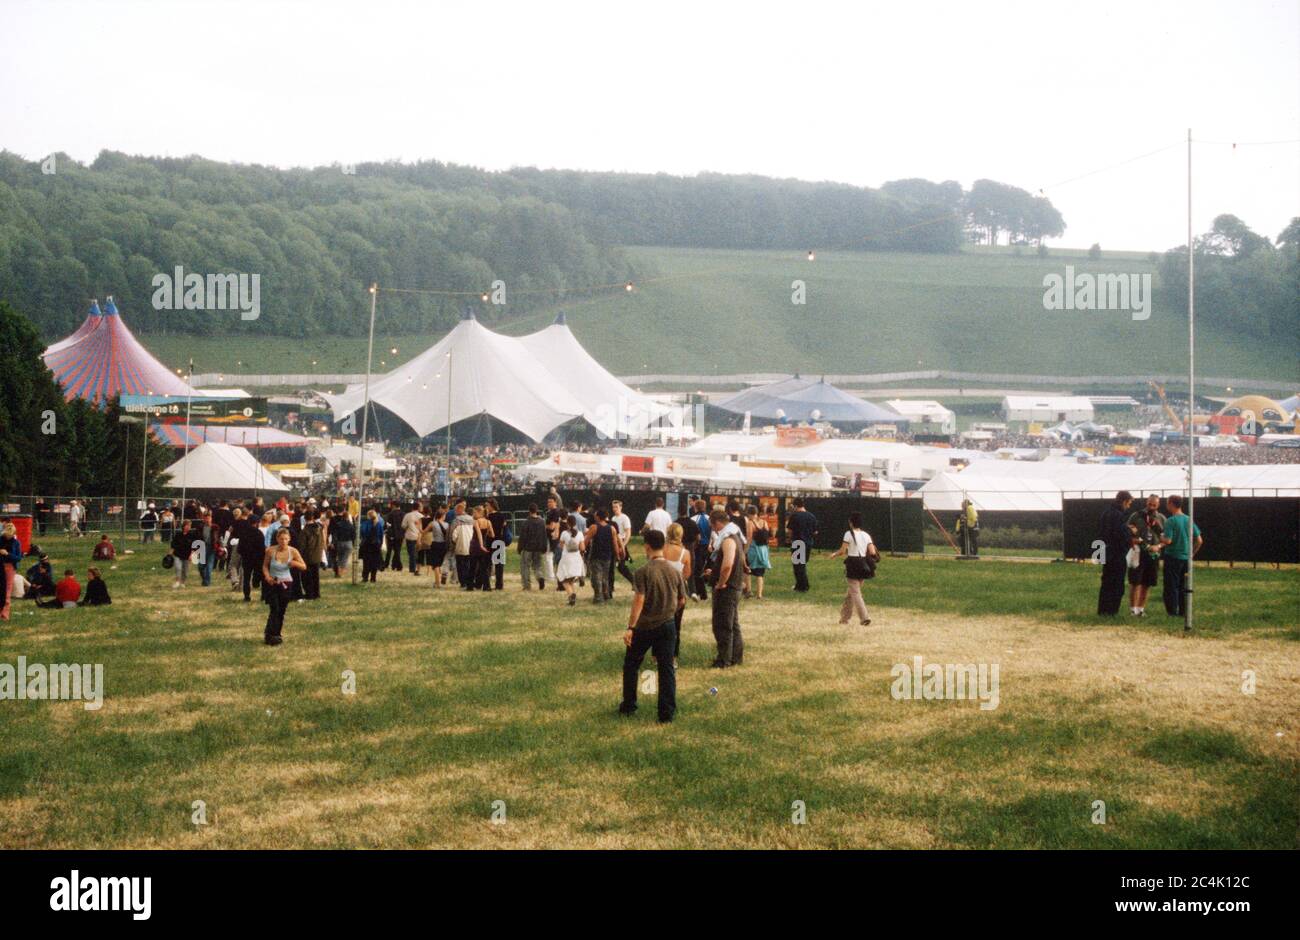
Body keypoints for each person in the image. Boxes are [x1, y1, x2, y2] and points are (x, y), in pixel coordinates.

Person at [619, 529, 686, 723]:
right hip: (668, 625)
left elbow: (639, 600)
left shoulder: (642, 572)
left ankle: (629, 705)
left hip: (645, 626)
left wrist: (630, 627)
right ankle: (666, 714)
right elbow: (682, 600)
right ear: (663, 546)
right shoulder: (675, 571)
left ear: (647, 546)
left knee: (632, 664)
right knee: (666, 669)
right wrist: (670, 612)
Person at [705, 509, 745, 668]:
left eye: (712, 526)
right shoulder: (736, 536)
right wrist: (714, 571)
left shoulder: (728, 539)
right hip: (735, 586)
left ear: (717, 522)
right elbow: (737, 560)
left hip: (727, 588)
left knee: (722, 625)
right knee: (733, 623)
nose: (713, 529)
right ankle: (735, 657)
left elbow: (728, 564)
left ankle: (723, 660)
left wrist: (721, 582)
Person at [828, 512, 877, 625]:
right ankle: (844, 619)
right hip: (864, 565)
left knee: (855, 593)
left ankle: (864, 618)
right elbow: (872, 552)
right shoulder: (866, 535)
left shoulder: (848, 534)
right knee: (851, 593)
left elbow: (842, 551)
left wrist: (834, 555)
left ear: (851, 523)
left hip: (853, 564)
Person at [261, 526, 307, 645]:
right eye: (281, 539)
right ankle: (269, 634)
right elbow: (265, 566)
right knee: (274, 608)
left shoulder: (293, 551)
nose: (283, 542)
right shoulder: (270, 551)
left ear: (289, 539)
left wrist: (295, 563)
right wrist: (267, 577)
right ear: (277, 539)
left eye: (286, 539)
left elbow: (304, 566)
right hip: (272, 583)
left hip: (286, 583)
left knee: (281, 610)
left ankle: (277, 634)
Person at [1159, 494, 1203, 620]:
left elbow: (1168, 540)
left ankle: (1172, 612)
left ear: (1171, 504)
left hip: (1172, 557)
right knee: (1183, 586)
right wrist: (1191, 554)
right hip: (1186, 559)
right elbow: (1199, 540)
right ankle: (1183, 612)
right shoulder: (1189, 519)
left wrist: (1161, 537)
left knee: (1171, 586)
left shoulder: (1170, 521)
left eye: (1167, 503)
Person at [1126, 494, 1165, 617]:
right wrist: (1133, 538)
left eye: (1154, 505)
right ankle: (1133, 609)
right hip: (1138, 552)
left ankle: (1141, 609)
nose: (1151, 506)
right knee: (1135, 582)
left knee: (1147, 583)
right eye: (1149, 504)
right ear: (1146, 503)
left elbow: (1165, 538)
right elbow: (1128, 530)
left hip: (1153, 554)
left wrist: (1158, 547)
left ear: (1158, 505)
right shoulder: (1136, 516)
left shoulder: (1162, 518)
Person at [1097, 491, 1134, 616]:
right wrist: (1131, 532)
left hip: (1106, 552)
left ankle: (1103, 610)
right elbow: (1120, 535)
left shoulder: (1105, 512)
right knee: (1117, 585)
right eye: (1128, 504)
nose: (1128, 507)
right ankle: (1112, 611)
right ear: (1124, 501)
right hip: (1117, 554)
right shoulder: (1118, 515)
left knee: (1106, 583)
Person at [662, 523, 693, 660]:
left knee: (658, 624)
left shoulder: (661, 549)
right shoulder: (685, 553)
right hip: (677, 591)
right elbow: (687, 574)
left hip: (661, 590)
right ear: (681, 535)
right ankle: (673, 656)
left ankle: (657, 655)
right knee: (676, 625)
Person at [584, 508, 621, 604]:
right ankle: (606, 595)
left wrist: (582, 550)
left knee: (596, 577)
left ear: (598, 516)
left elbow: (586, 541)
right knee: (605, 577)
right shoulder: (612, 528)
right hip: (607, 556)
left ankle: (598, 597)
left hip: (596, 555)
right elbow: (615, 543)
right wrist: (617, 555)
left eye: (595, 515)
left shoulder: (594, 527)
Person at [785, 497, 817, 593]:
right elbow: (815, 532)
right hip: (808, 543)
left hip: (798, 542)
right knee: (802, 564)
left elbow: (790, 530)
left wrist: (791, 540)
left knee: (798, 566)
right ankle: (799, 585)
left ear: (795, 506)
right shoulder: (812, 516)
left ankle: (803, 586)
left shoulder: (794, 516)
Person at [517, 503, 549, 590]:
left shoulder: (526, 522)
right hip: (538, 548)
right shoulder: (542, 522)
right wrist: (544, 547)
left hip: (528, 548)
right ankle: (540, 577)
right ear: (536, 510)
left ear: (529, 511)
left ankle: (527, 586)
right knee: (537, 566)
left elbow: (523, 537)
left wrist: (519, 548)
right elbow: (544, 535)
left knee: (525, 566)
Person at [236, 510, 265, 602]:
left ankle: (247, 596)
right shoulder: (259, 533)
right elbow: (262, 548)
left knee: (246, 578)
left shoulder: (243, 533)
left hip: (246, 558)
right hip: (257, 559)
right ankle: (263, 595)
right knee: (261, 577)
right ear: (257, 523)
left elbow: (239, 548)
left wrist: (244, 554)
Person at [555, 518, 585, 606]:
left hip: (566, 558)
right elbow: (582, 548)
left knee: (563, 579)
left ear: (567, 524)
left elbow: (560, 546)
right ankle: (572, 596)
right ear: (575, 524)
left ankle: (571, 595)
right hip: (576, 558)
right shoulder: (580, 534)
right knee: (571, 579)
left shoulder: (564, 533)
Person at [745, 505, 771, 599]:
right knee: (760, 573)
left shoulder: (750, 523)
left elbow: (749, 537)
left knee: (747, 570)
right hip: (763, 549)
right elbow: (767, 536)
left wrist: (745, 550)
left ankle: (748, 591)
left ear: (749, 513)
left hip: (753, 548)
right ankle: (759, 595)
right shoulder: (764, 522)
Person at [298, 510, 325, 600]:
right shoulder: (319, 528)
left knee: (306, 577)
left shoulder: (305, 531)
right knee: (315, 576)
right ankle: (316, 593)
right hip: (317, 555)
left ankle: (309, 594)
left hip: (307, 556)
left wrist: (299, 556)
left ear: (304, 518)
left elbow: (302, 546)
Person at [0, 522, 23, 621]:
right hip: (1, 565)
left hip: (10, 567)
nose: (8, 537)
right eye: (6, 535)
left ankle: (5, 614)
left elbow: (18, 558)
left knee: (7, 592)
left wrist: (8, 554)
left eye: (10, 535)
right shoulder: (0, 540)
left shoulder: (16, 543)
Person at [487, 499, 511, 590]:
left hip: (490, 541)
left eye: (487, 505)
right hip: (500, 541)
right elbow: (505, 527)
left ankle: (487, 584)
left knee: (488, 564)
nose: (486, 507)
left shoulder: (488, 517)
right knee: (499, 565)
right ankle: (499, 585)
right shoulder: (502, 516)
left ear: (491, 505)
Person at [359, 509, 385, 583]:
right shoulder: (379, 524)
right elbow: (381, 535)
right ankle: (373, 578)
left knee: (366, 562)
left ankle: (365, 577)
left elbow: (362, 533)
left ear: (368, 516)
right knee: (374, 562)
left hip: (367, 545)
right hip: (376, 545)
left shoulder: (365, 523)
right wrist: (380, 544)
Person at [426, 506, 448, 587]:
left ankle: (437, 583)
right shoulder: (447, 525)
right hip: (444, 545)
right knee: (440, 563)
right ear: (442, 516)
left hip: (435, 544)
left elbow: (424, 532)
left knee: (435, 564)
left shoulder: (432, 523)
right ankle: (438, 580)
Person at [401, 502, 425, 575]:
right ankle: (417, 568)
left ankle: (412, 569)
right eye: (421, 506)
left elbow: (403, 526)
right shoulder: (421, 516)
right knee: (417, 553)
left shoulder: (407, 515)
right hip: (419, 536)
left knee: (411, 553)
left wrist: (409, 526)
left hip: (410, 536)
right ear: (418, 508)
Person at [171, 519, 195, 588]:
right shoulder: (178, 534)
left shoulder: (191, 535)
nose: (188, 527)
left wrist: (191, 555)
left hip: (187, 556)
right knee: (178, 568)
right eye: (187, 525)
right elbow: (173, 544)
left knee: (185, 571)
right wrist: (170, 553)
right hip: (177, 554)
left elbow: (193, 547)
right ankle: (177, 582)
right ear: (183, 526)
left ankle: (183, 582)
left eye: (189, 526)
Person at [330, 510, 354, 578]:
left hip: (339, 542)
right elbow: (353, 535)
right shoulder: (351, 525)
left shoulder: (338, 524)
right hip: (348, 542)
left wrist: (333, 543)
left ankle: (337, 570)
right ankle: (340, 572)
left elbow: (335, 534)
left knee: (340, 557)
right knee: (345, 558)